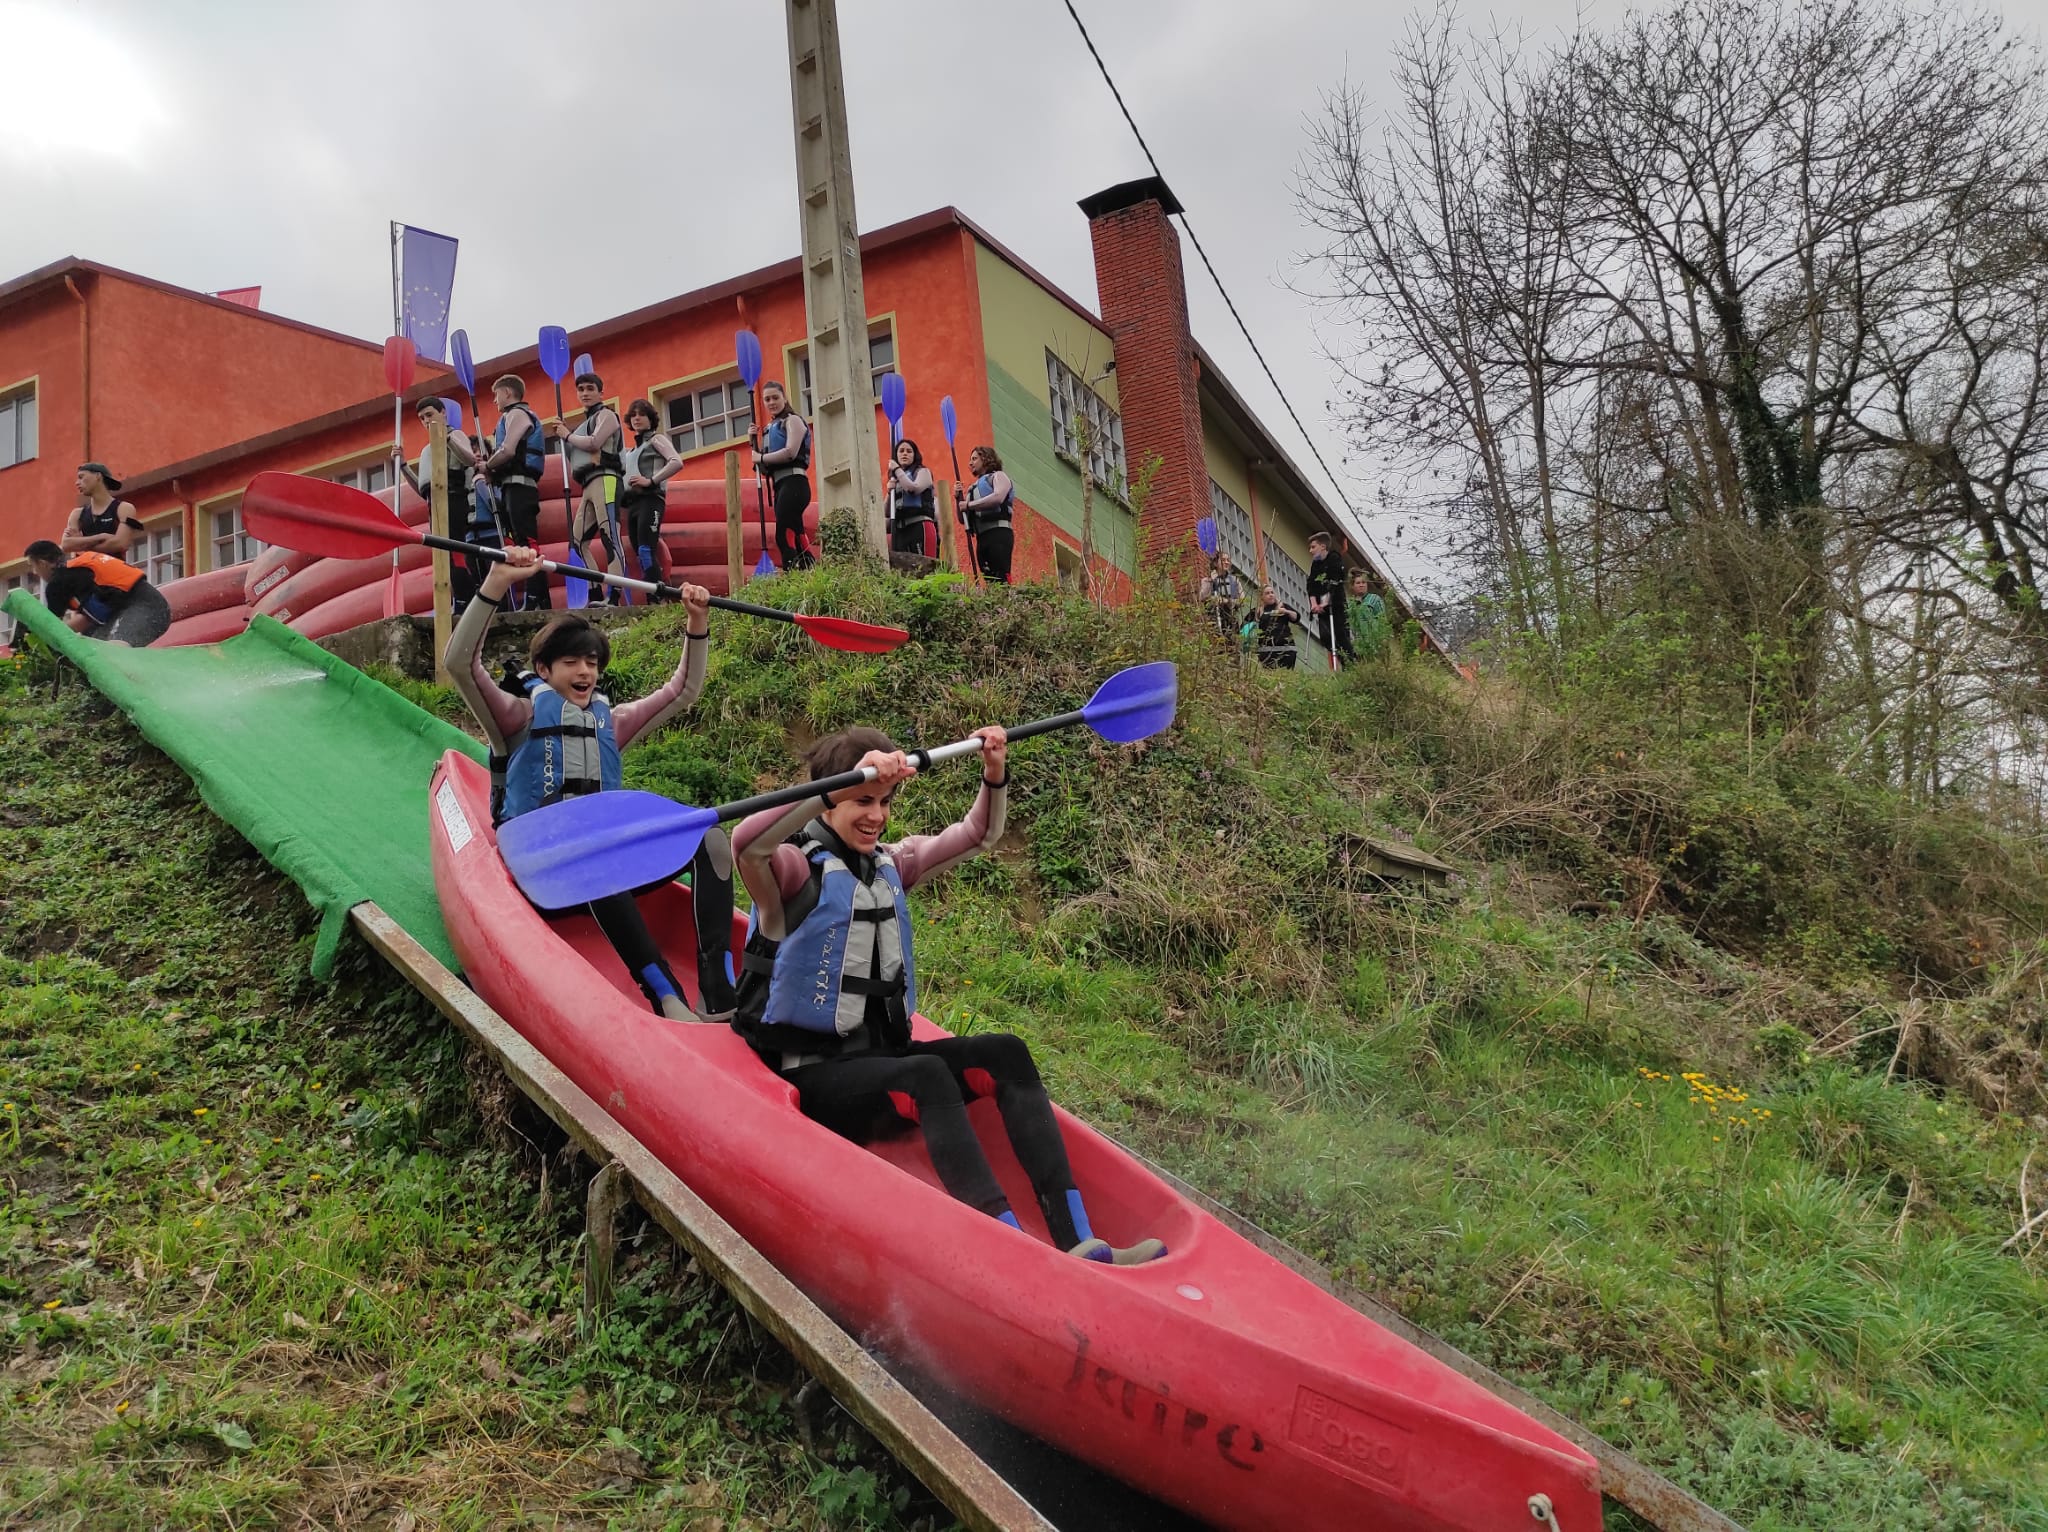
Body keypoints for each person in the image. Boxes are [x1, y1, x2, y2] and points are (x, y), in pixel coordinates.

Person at [731, 726, 1166, 1265]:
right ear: (829, 799)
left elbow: (977, 835)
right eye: (862, 801)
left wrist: (994, 771)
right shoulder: (792, 870)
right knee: (927, 1074)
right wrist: (839, 785)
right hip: (814, 1080)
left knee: (1006, 1052)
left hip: (883, 1066)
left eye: (884, 801)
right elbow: (746, 843)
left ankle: (1078, 1240)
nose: (876, 815)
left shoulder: (891, 863)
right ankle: (1013, 1254)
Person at [446, 545, 737, 1020]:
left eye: (592, 663)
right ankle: (665, 995)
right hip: (540, 873)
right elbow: (460, 665)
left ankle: (718, 987)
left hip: (601, 869)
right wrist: (496, 583)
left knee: (710, 838)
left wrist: (697, 621)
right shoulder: (516, 718)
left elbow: (683, 691)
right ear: (544, 670)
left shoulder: (612, 723)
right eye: (571, 662)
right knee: (595, 851)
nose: (584, 672)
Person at [399, 398, 485, 613]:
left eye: (429, 415)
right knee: (444, 556)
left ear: (443, 413)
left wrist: (447, 439)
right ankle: (460, 598)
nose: (426, 421)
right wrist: (403, 466)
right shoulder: (427, 450)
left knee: (454, 552)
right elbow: (423, 488)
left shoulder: (455, 435)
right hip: (434, 505)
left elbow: (469, 460)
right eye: (422, 418)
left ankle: (466, 597)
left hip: (454, 500)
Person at [547, 371, 625, 602]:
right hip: (588, 485)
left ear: (601, 393)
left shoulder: (607, 415)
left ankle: (614, 596)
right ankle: (594, 593)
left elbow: (594, 443)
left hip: (607, 479)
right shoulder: (582, 426)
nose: (585, 393)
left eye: (590, 388)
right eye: (581, 389)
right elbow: (577, 456)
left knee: (610, 536)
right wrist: (566, 436)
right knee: (577, 542)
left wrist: (566, 435)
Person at [480, 374, 552, 610]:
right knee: (520, 542)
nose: (494, 400)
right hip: (512, 486)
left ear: (507, 393)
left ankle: (535, 597)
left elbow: (508, 450)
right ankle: (539, 598)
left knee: (527, 542)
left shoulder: (517, 414)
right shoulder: (511, 416)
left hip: (521, 487)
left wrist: (487, 466)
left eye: (496, 395)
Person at [24, 539, 172, 647]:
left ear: (42, 563)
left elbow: (54, 629)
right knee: (95, 647)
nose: (35, 572)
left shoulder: (58, 582)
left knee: (114, 650)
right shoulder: (80, 567)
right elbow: (93, 617)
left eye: (33, 566)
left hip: (145, 608)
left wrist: (38, 641)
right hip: (152, 606)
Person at [616, 399, 682, 600]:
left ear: (650, 418)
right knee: (640, 551)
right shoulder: (629, 452)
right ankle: (652, 596)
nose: (637, 418)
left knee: (646, 549)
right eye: (633, 415)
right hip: (633, 505)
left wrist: (650, 480)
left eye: (642, 414)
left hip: (651, 499)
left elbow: (676, 462)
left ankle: (656, 597)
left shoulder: (656, 440)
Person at [752, 381, 813, 570]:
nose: (771, 402)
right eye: (767, 399)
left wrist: (761, 457)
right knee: (796, 532)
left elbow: (790, 452)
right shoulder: (769, 429)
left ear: (784, 398)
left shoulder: (792, 420)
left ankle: (791, 574)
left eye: (775, 398)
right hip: (780, 487)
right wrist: (752, 442)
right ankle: (810, 570)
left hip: (795, 484)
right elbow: (763, 468)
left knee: (783, 534)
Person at [955, 446, 1016, 585]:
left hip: (999, 533)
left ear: (986, 459)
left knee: (1000, 575)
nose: (970, 463)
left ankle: (1006, 596)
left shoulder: (998, 476)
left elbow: (998, 497)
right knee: (989, 579)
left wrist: (968, 505)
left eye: (974, 459)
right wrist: (958, 498)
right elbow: (962, 519)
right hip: (982, 538)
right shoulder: (972, 489)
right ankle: (995, 598)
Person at [59, 464, 143, 557]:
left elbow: (120, 543)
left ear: (98, 476)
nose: (77, 483)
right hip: (87, 566)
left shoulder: (124, 508)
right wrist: (101, 537)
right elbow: (66, 544)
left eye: (81, 477)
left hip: (113, 565)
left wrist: (81, 542)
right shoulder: (77, 514)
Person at [884, 438, 937, 560]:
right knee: (903, 569)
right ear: (896, 456)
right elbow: (886, 513)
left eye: (909, 451)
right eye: (901, 451)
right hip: (900, 531)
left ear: (915, 455)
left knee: (924, 567)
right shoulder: (895, 480)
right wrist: (889, 492)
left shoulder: (923, 472)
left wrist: (897, 469)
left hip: (920, 526)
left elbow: (913, 489)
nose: (905, 454)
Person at [1305, 532, 1353, 666]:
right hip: (1322, 607)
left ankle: (1351, 662)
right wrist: (1314, 604)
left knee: (1341, 635)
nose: (1311, 551)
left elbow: (1334, 582)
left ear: (1323, 546)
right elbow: (1311, 584)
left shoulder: (1334, 558)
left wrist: (1325, 603)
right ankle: (1343, 659)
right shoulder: (1316, 564)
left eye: (1313, 547)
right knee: (1326, 637)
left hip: (1336, 605)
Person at [1247, 585, 1302, 669]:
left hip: (1286, 649)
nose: (1271, 595)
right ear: (1262, 597)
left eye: (1272, 592)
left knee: (1285, 673)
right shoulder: (1258, 610)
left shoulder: (1283, 606)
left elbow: (1296, 617)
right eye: (1267, 593)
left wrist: (1286, 612)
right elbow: (1246, 625)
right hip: (1266, 650)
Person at [1197, 550, 1244, 639]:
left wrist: (1228, 601)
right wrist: (1211, 581)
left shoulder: (1235, 580)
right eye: (1223, 560)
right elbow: (1202, 597)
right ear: (1215, 563)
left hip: (1231, 619)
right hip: (1214, 619)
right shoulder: (1207, 580)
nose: (1226, 562)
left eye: (1228, 560)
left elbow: (1242, 601)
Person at [1347, 568, 1390, 661]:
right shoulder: (1350, 605)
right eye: (1358, 583)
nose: (1361, 585)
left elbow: (1382, 620)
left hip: (1374, 642)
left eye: (1364, 582)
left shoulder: (1374, 599)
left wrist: (1383, 640)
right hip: (1358, 645)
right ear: (1352, 586)